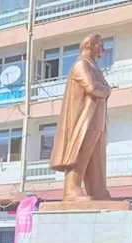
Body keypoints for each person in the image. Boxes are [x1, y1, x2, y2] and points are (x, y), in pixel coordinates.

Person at [50, 33, 112, 202]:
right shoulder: (81, 65)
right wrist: (107, 90)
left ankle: (98, 190)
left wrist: (105, 89)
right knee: (80, 153)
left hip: (96, 119)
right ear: (91, 45)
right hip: (84, 119)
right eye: (100, 45)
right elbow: (92, 87)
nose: (103, 49)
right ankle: (71, 191)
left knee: (95, 157)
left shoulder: (93, 66)